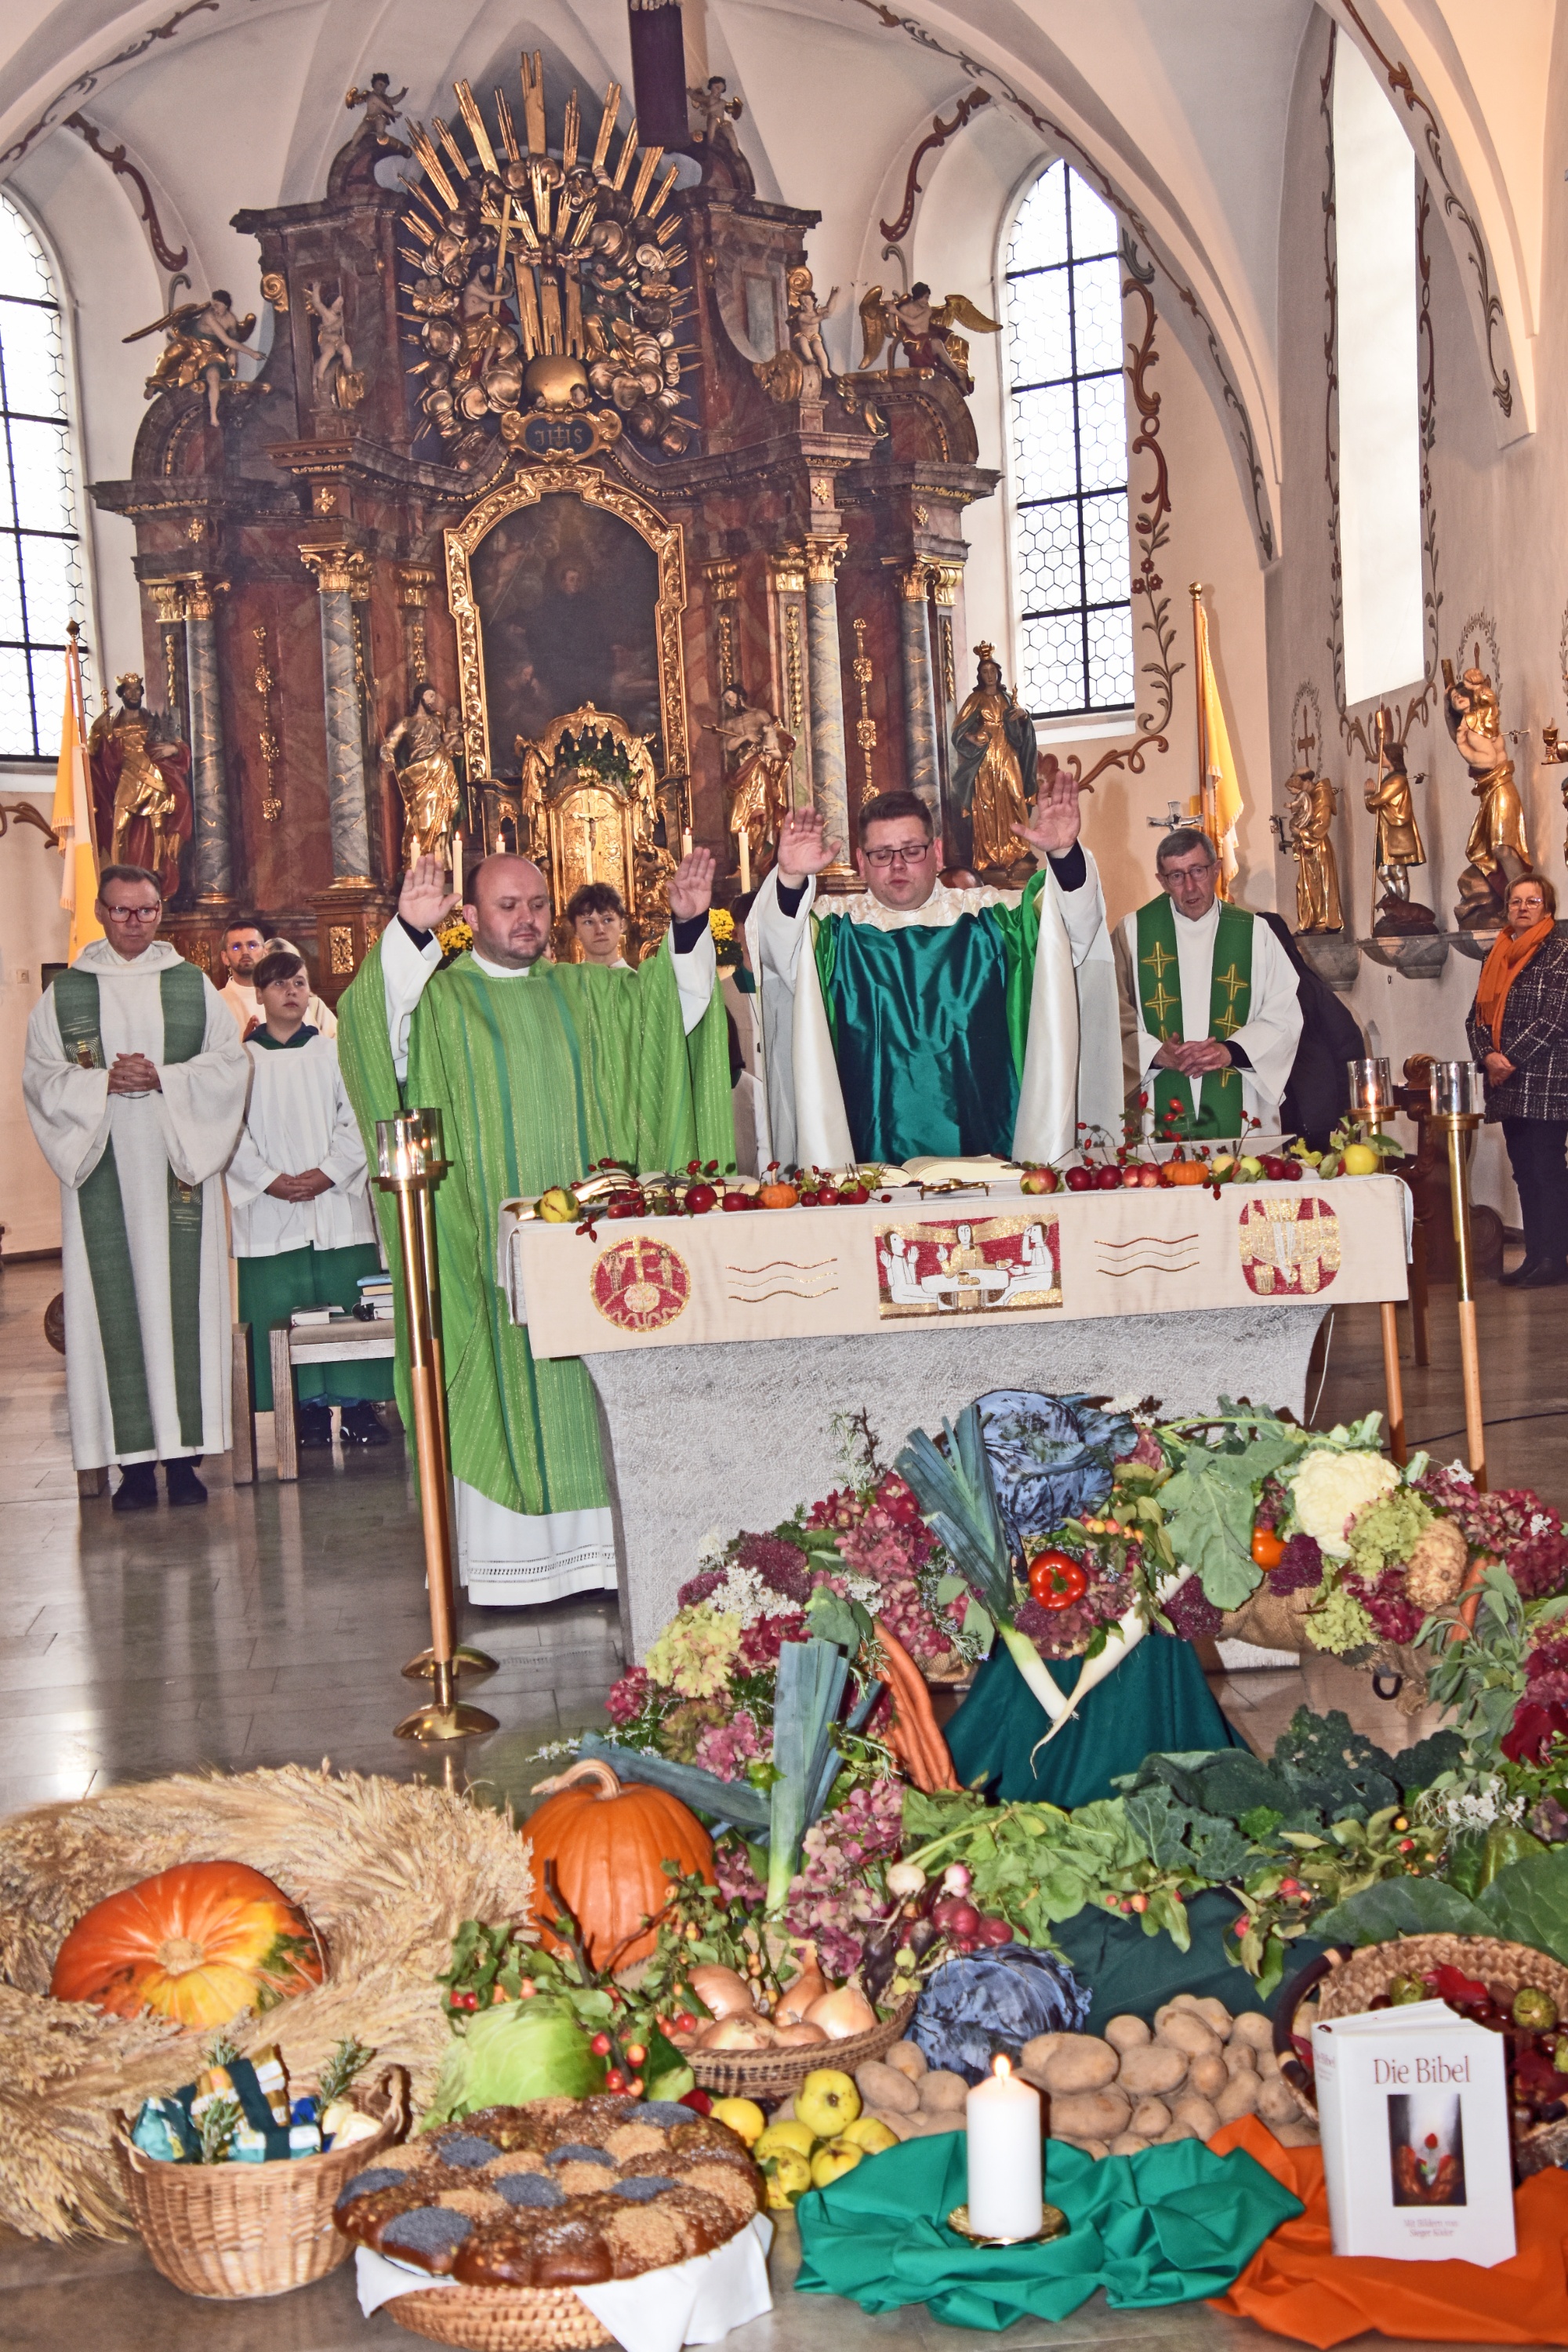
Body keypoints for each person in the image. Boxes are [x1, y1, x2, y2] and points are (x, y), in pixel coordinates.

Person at [336, 850, 733, 1604]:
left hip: (584, 1257)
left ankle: (604, 1556)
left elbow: (662, 1017)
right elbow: (371, 1031)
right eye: (508, 906)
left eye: (539, 905)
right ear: (471, 917)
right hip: (479, 1248)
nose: (528, 920)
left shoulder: (585, 990)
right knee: (497, 1372)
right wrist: (406, 936)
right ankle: (505, 1566)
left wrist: (684, 928)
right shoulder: (441, 1000)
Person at [22, 864, 249, 1509]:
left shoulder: (191, 987)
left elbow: (230, 1064)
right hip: (103, 1173)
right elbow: (39, 1078)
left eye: (145, 911)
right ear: (100, 911)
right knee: (111, 1310)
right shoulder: (66, 995)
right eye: (121, 911)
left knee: (181, 1307)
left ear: (160, 912)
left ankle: (183, 1462)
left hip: (177, 1169)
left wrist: (167, 1080)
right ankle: (130, 1466)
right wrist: (101, 1085)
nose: (133, 923)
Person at [747, 782, 1120, 1170]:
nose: (897, 865)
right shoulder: (832, 931)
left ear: (937, 852)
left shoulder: (996, 918)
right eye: (881, 854)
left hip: (990, 1144)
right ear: (860, 860)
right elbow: (778, 955)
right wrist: (789, 880)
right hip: (866, 1156)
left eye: (911, 850)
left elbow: (1073, 931)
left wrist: (1063, 854)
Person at [226, 948, 393, 1447]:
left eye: (299, 982)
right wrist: (268, 1180)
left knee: (348, 1304)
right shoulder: (240, 1063)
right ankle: (304, 1414)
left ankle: (360, 1407)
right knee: (285, 1304)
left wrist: (328, 1174)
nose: (292, 992)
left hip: (334, 1202)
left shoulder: (335, 1052)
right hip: (269, 1206)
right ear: (259, 994)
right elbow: (228, 1132)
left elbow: (357, 1117)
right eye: (279, 985)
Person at [1116, 828, 1302, 1139]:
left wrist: (1231, 1051)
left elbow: (1285, 1016)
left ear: (1216, 870)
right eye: (1176, 876)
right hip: (1156, 1101)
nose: (1190, 886)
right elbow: (1109, 1014)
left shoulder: (1256, 934)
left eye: (1198, 871)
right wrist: (1154, 1053)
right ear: (1161, 881)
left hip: (1240, 1099)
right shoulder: (1132, 933)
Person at [1466, 874, 1568, 1288]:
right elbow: (1475, 1017)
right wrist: (1487, 1055)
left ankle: (1554, 1258)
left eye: (1532, 901)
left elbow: (1555, 1019)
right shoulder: (1498, 954)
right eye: (1516, 902)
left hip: (1546, 1078)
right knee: (1524, 1171)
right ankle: (1534, 1256)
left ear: (1547, 908)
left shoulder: (1559, 953)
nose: (1523, 908)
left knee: (1546, 1169)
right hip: (1506, 1081)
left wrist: (1508, 1059)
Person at [1258, 912, 1366, 1155]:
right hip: (1278, 1116)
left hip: (1312, 1115)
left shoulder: (1305, 987)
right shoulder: (1253, 991)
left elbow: (1348, 1045)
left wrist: (1346, 1112)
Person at [216, 916, 336, 1038]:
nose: (245, 952)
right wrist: (245, 1046)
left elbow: (318, 1046)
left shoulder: (288, 995)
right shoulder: (216, 1004)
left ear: (265, 953)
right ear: (225, 957)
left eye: (252, 945)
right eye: (236, 947)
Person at [566, 881, 630, 967]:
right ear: (575, 931)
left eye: (607, 920)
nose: (600, 930)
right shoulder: (568, 981)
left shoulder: (639, 980)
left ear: (622, 925)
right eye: (589, 922)